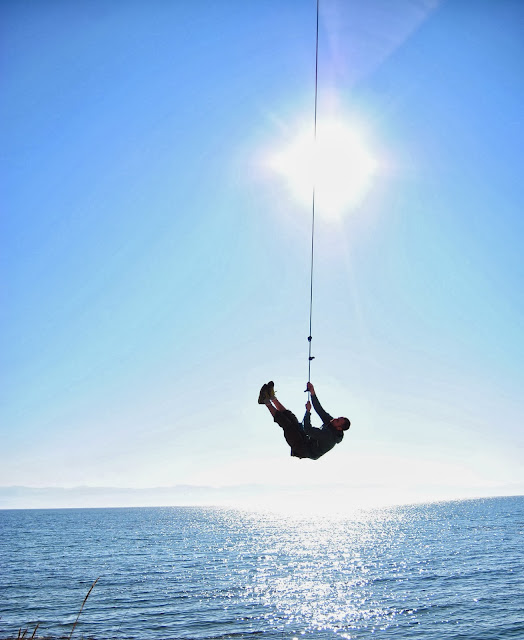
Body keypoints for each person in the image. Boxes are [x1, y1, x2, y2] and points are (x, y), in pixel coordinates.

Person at [258, 381, 350, 460]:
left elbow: (308, 429)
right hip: (307, 440)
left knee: (288, 425)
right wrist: (312, 392)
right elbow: (319, 410)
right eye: (338, 418)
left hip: (303, 449)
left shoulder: (329, 437)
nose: (335, 419)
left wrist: (308, 412)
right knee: (291, 417)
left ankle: (265, 400)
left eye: (338, 421)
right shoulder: (332, 423)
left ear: (339, 428)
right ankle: (272, 397)